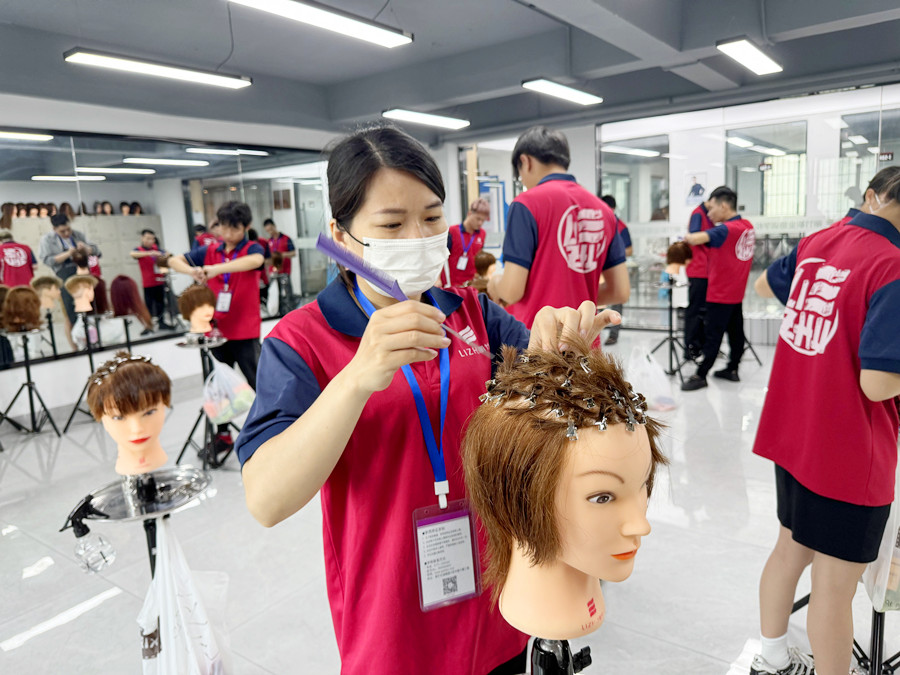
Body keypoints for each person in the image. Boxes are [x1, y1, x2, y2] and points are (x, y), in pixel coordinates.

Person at [234, 125, 621, 675]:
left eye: (432, 217)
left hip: (499, 602)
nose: (418, 237)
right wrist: (357, 377)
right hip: (391, 621)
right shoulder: (302, 341)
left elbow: (542, 424)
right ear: (341, 235)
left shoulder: (473, 314)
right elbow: (266, 499)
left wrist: (557, 358)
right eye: (392, 224)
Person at [748, 173, 900, 675]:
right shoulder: (893, 265)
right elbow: (877, 384)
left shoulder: (820, 240)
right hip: (850, 450)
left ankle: (772, 658)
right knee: (835, 588)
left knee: (789, 548)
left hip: (797, 433)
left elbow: (768, 285)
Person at [488, 126, 629, 328]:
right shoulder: (604, 210)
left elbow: (511, 291)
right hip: (583, 337)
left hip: (536, 337)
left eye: (519, 174)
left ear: (525, 161)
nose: (523, 181)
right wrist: (576, 300)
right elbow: (620, 291)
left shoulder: (526, 204)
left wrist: (495, 283)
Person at [169, 201, 265, 457]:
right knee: (218, 388)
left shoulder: (252, 248)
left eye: (234, 228)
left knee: (258, 382)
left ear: (246, 227)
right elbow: (173, 260)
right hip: (216, 332)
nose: (228, 233)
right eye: (223, 227)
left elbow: (255, 261)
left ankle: (271, 430)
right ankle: (223, 436)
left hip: (245, 331)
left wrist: (215, 269)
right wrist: (193, 271)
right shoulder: (210, 250)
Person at [681, 187, 755, 390]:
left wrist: (686, 235)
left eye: (712, 208)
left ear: (723, 206)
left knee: (713, 336)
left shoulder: (725, 230)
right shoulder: (747, 226)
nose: (709, 213)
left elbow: (694, 238)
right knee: (736, 333)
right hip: (736, 292)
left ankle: (701, 375)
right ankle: (733, 369)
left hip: (720, 292)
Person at [38, 213, 101, 326]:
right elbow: (48, 260)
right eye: (62, 231)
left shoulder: (77, 235)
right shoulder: (47, 240)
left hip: (83, 270)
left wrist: (87, 249)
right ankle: (78, 329)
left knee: (92, 301)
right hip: (64, 272)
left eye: (68, 229)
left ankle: (94, 327)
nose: (67, 233)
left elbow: (97, 251)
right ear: (54, 229)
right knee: (71, 306)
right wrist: (68, 254)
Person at [683, 189, 725, 360]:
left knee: (705, 312)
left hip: (708, 271)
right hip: (698, 270)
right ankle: (690, 349)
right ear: (712, 201)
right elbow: (693, 237)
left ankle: (702, 347)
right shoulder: (698, 214)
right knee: (695, 311)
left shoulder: (708, 216)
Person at [599, 194, 632, 346]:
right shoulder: (596, 222)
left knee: (616, 302)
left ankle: (613, 334)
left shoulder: (621, 226)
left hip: (614, 270)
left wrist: (614, 253)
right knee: (596, 303)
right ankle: (595, 333)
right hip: (597, 271)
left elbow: (629, 250)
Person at [441, 198, 489, 288]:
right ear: (469, 213)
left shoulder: (482, 234)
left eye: (483, 220)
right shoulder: (452, 231)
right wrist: (439, 280)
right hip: (454, 284)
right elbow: (441, 257)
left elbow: (479, 258)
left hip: (473, 284)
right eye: (478, 219)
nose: (480, 223)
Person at [130, 229, 172, 330]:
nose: (150, 241)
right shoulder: (139, 249)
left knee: (160, 303)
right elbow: (133, 254)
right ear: (142, 238)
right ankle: (149, 325)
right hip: (148, 283)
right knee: (148, 305)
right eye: (148, 238)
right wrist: (149, 253)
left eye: (152, 239)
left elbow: (168, 254)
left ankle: (161, 323)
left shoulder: (156, 249)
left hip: (159, 281)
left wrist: (164, 254)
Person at [262, 218, 296, 294]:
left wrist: (283, 255)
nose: (270, 232)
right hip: (273, 273)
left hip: (284, 272)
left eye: (271, 229)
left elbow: (293, 253)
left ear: (274, 226)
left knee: (287, 294)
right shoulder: (268, 242)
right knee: (274, 294)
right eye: (267, 231)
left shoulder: (286, 239)